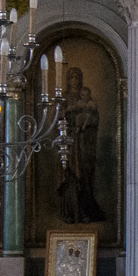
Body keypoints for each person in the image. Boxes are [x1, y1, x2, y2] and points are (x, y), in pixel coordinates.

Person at [57, 66, 103, 223]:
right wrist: (67, 112)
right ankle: (70, 212)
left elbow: (93, 118)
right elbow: (57, 118)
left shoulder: (88, 100)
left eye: (77, 78)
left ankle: (83, 212)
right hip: (68, 143)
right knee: (70, 176)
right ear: (68, 80)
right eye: (72, 78)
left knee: (83, 177)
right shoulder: (64, 97)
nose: (75, 81)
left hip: (83, 143)